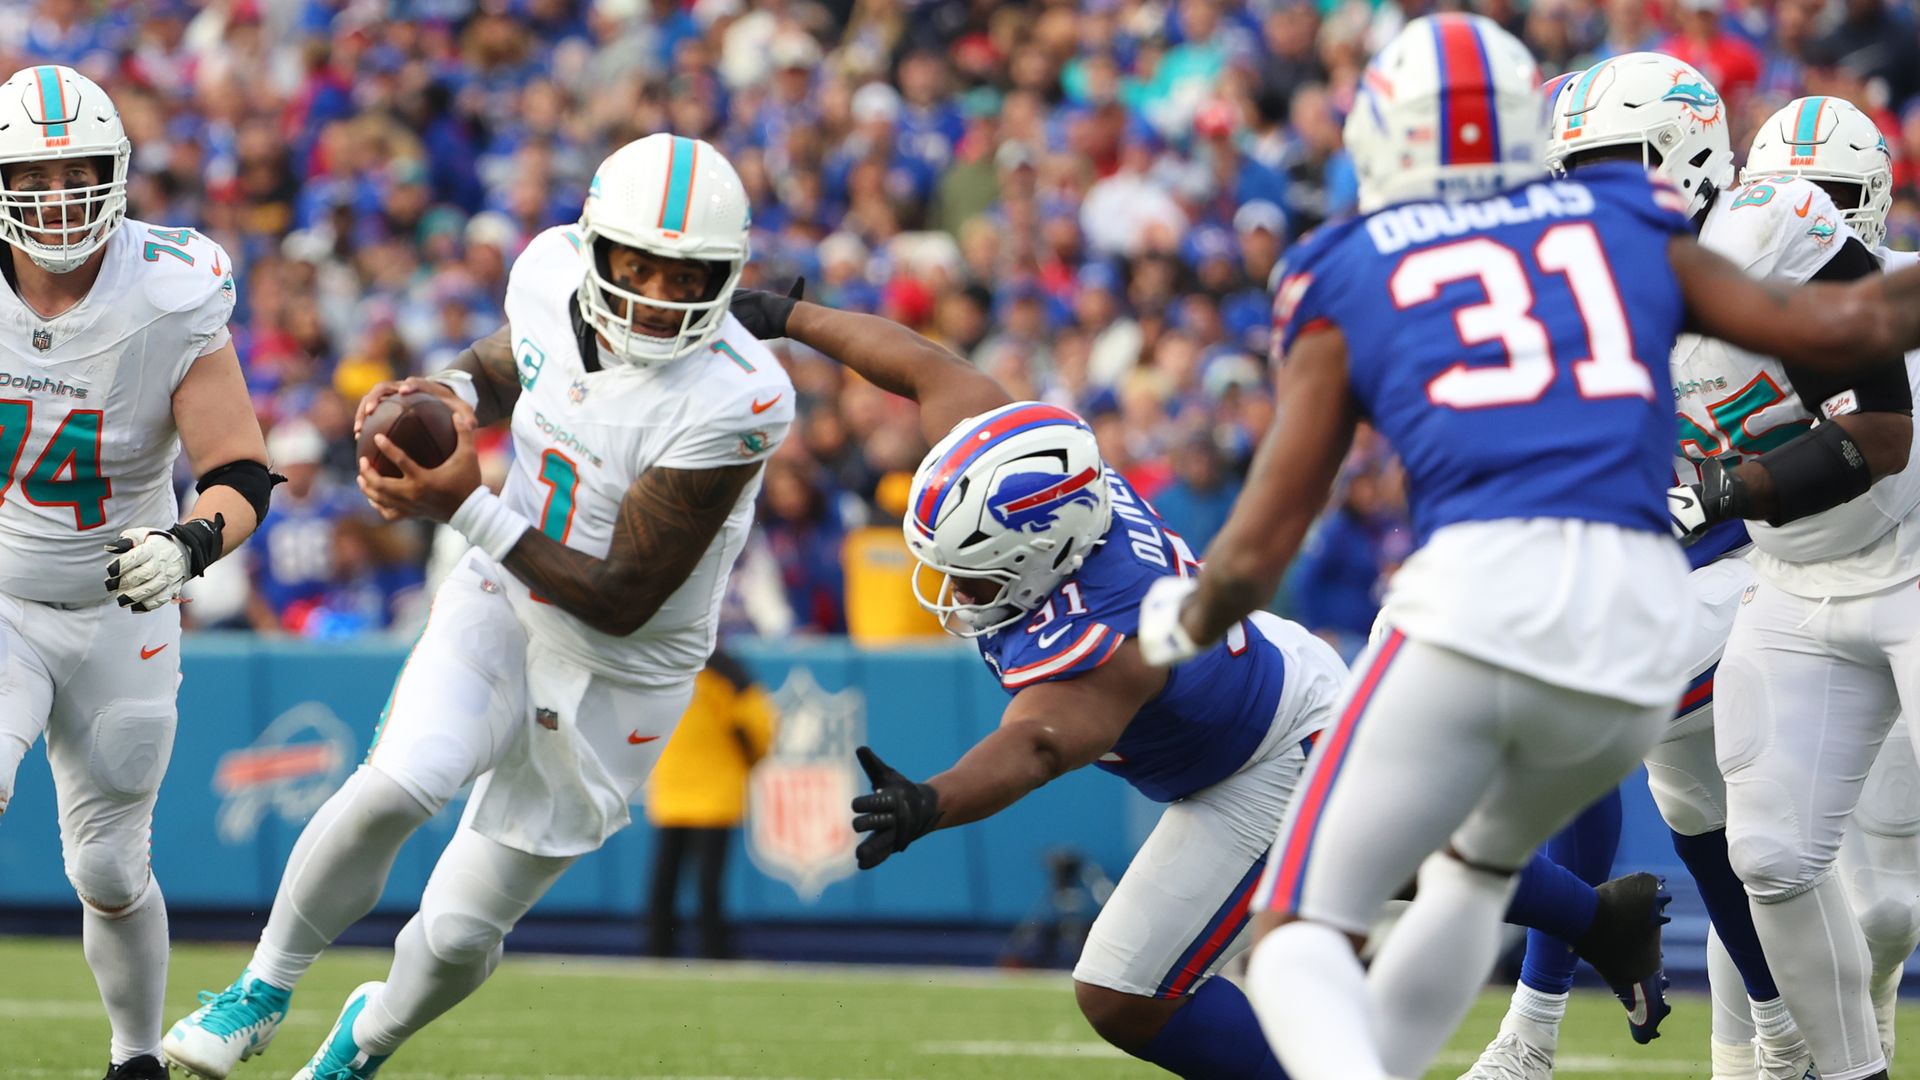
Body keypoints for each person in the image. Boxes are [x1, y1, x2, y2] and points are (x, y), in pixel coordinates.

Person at [1133, 15, 1920, 1080]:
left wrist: (1185, 616)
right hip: (1639, 612)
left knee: (1307, 926)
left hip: (1481, 605)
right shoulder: (1640, 232)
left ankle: (1497, 1042)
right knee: (1570, 852)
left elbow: (1270, 529)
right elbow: (1843, 334)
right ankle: (1559, 1038)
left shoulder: (1348, 262)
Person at [725, 283, 1674, 1079]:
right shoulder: (1031, 473)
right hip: (1256, 680)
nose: (956, 590)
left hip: (1265, 749)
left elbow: (1039, 742)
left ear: (1045, 553)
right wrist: (796, 316)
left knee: (1125, 992)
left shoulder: (1110, 632)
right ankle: (1600, 914)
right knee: (1395, 855)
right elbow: (921, 365)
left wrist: (933, 801)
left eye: (972, 571)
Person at [162, 133, 794, 1080]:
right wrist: (446, 395)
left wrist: (459, 503)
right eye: (640, 266)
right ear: (595, 249)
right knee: (396, 785)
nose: (661, 296)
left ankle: (360, 1045)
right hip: (502, 597)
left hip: (623, 667)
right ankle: (261, 988)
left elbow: (623, 596)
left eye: (688, 275)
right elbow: (512, 362)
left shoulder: (739, 397)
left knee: (459, 932)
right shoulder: (548, 272)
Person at [1468, 69, 1920, 1080]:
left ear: (1695, 153)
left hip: (1864, 562)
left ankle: (1549, 1031)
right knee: (1745, 847)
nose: (1591, 192)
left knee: (1879, 898)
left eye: (1611, 164)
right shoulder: (1587, 279)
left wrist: (1726, 486)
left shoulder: (1772, 230)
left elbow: (1879, 429)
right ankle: (1787, 1041)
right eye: (1570, 171)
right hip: (1759, 572)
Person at [0, 64, 273, 1080]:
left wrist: (187, 545)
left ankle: (135, 1058)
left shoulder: (169, 288)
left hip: (123, 602)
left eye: (80, 173)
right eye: (34, 175)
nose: (59, 197)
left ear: (119, 174)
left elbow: (241, 470)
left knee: (109, 868)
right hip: (3, 595)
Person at [645, 648, 776, 959]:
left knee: (666, 881)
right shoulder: (724, 668)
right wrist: (752, 757)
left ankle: (657, 951)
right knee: (708, 884)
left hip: (674, 788)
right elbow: (756, 723)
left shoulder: (661, 658)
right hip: (714, 792)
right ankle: (711, 950)